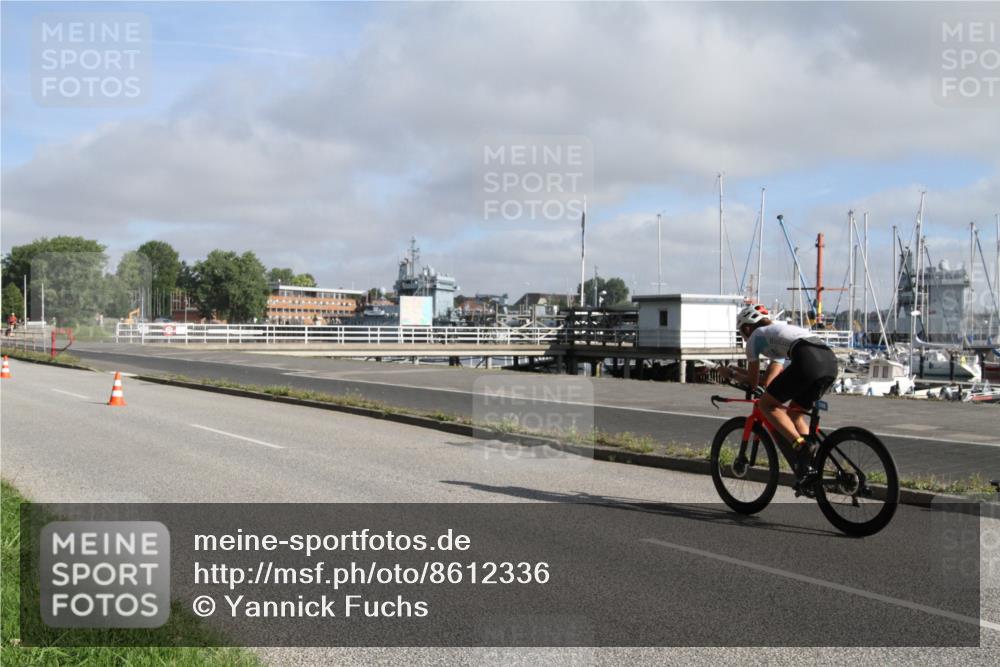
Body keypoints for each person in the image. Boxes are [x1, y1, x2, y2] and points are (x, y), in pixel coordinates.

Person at [719, 304, 839, 477]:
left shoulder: (754, 338)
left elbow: (753, 384)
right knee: (794, 414)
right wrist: (739, 372)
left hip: (808, 361)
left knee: (765, 405)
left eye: (741, 333)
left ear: (747, 328)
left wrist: (730, 374)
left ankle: (801, 446)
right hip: (829, 363)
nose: (743, 338)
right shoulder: (777, 334)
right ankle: (811, 465)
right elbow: (767, 381)